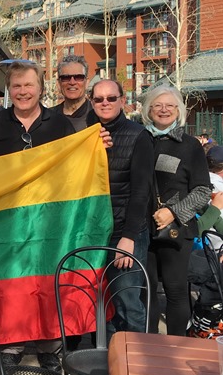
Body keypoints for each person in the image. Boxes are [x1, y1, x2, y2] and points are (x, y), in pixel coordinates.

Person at [0, 60, 73, 372]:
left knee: (46, 280)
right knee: (12, 284)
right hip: (6, 222)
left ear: (41, 89)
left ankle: (48, 345)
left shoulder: (60, 125)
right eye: (16, 86)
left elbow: (74, 168)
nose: (23, 91)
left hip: (48, 222)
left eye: (29, 85)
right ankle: (12, 343)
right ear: (9, 91)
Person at [143, 85, 211, 336]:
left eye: (170, 105)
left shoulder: (189, 145)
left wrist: (173, 212)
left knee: (176, 290)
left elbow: (203, 191)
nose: (164, 110)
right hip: (142, 228)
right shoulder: (140, 139)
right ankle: (148, 346)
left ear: (179, 110)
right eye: (158, 105)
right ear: (148, 109)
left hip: (175, 230)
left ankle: (175, 346)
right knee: (145, 291)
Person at [89, 79, 154, 336]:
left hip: (125, 232)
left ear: (122, 101)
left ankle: (139, 357)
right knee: (102, 304)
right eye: (98, 99)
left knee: (128, 302)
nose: (105, 103)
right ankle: (109, 356)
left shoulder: (138, 135)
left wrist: (128, 238)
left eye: (111, 98)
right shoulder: (87, 134)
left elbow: (141, 192)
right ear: (91, 102)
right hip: (95, 231)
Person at [51, 55, 92, 131]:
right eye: (66, 77)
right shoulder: (47, 119)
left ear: (87, 82)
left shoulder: (99, 116)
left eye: (78, 77)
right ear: (58, 84)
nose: (72, 82)